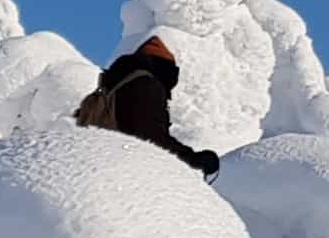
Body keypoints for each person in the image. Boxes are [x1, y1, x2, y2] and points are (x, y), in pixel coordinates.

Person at [74, 36, 222, 176]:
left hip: (101, 163)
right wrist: (193, 159)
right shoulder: (146, 86)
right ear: (166, 70)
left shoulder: (113, 86)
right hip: (126, 170)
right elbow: (152, 138)